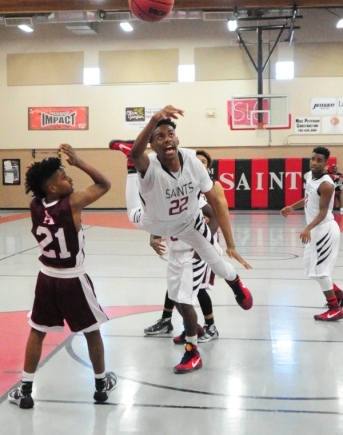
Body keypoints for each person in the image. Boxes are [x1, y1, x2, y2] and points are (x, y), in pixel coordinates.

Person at [109, 105, 252, 374]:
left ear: (178, 139)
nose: (166, 139)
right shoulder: (149, 163)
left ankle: (236, 283)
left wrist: (231, 243)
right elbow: (143, 154)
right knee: (183, 299)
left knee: (219, 263)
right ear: (152, 144)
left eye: (169, 133)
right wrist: (152, 121)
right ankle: (193, 351)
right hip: (159, 223)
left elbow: (216, 201)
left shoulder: (194, 163)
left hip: (190, 224)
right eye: (159, 136)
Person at [8, 144, 117, 409]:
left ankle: (25, 388)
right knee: (92, 331)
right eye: (63, 176)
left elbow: (45, 199)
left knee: (37, 331)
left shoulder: (35, 205)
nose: (70, 178)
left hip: (46, 278)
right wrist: (79, 161)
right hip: (73, 279)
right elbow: (104, 183)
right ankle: (101, 385)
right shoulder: (74, 203)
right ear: (53, 188)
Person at [144, 149, 228, 343]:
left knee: (198, 289)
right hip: (180, 245)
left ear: (207, 167)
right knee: (176, 289)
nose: (199, 163)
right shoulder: (181, 184)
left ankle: (210, 327)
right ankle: (176, 323)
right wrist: (154, 235)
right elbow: (160, 214)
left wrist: (206, 244)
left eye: (203, 162)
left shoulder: (212, 187)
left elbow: (220, 213)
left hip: (202, 245)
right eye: (196, 160)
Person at [280, 146, 343, 321]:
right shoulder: (309, 177)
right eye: (313, 159)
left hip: (324, 229)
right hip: (315, 229)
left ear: (326, 163)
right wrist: (292, 207)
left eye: (319, 160)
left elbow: (323, 211)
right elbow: (308, 198)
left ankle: (335, 307)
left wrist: (308, 227)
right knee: (311, 269)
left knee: (321, 271)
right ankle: (339, 296)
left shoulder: (326, 184)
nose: (314, 163)